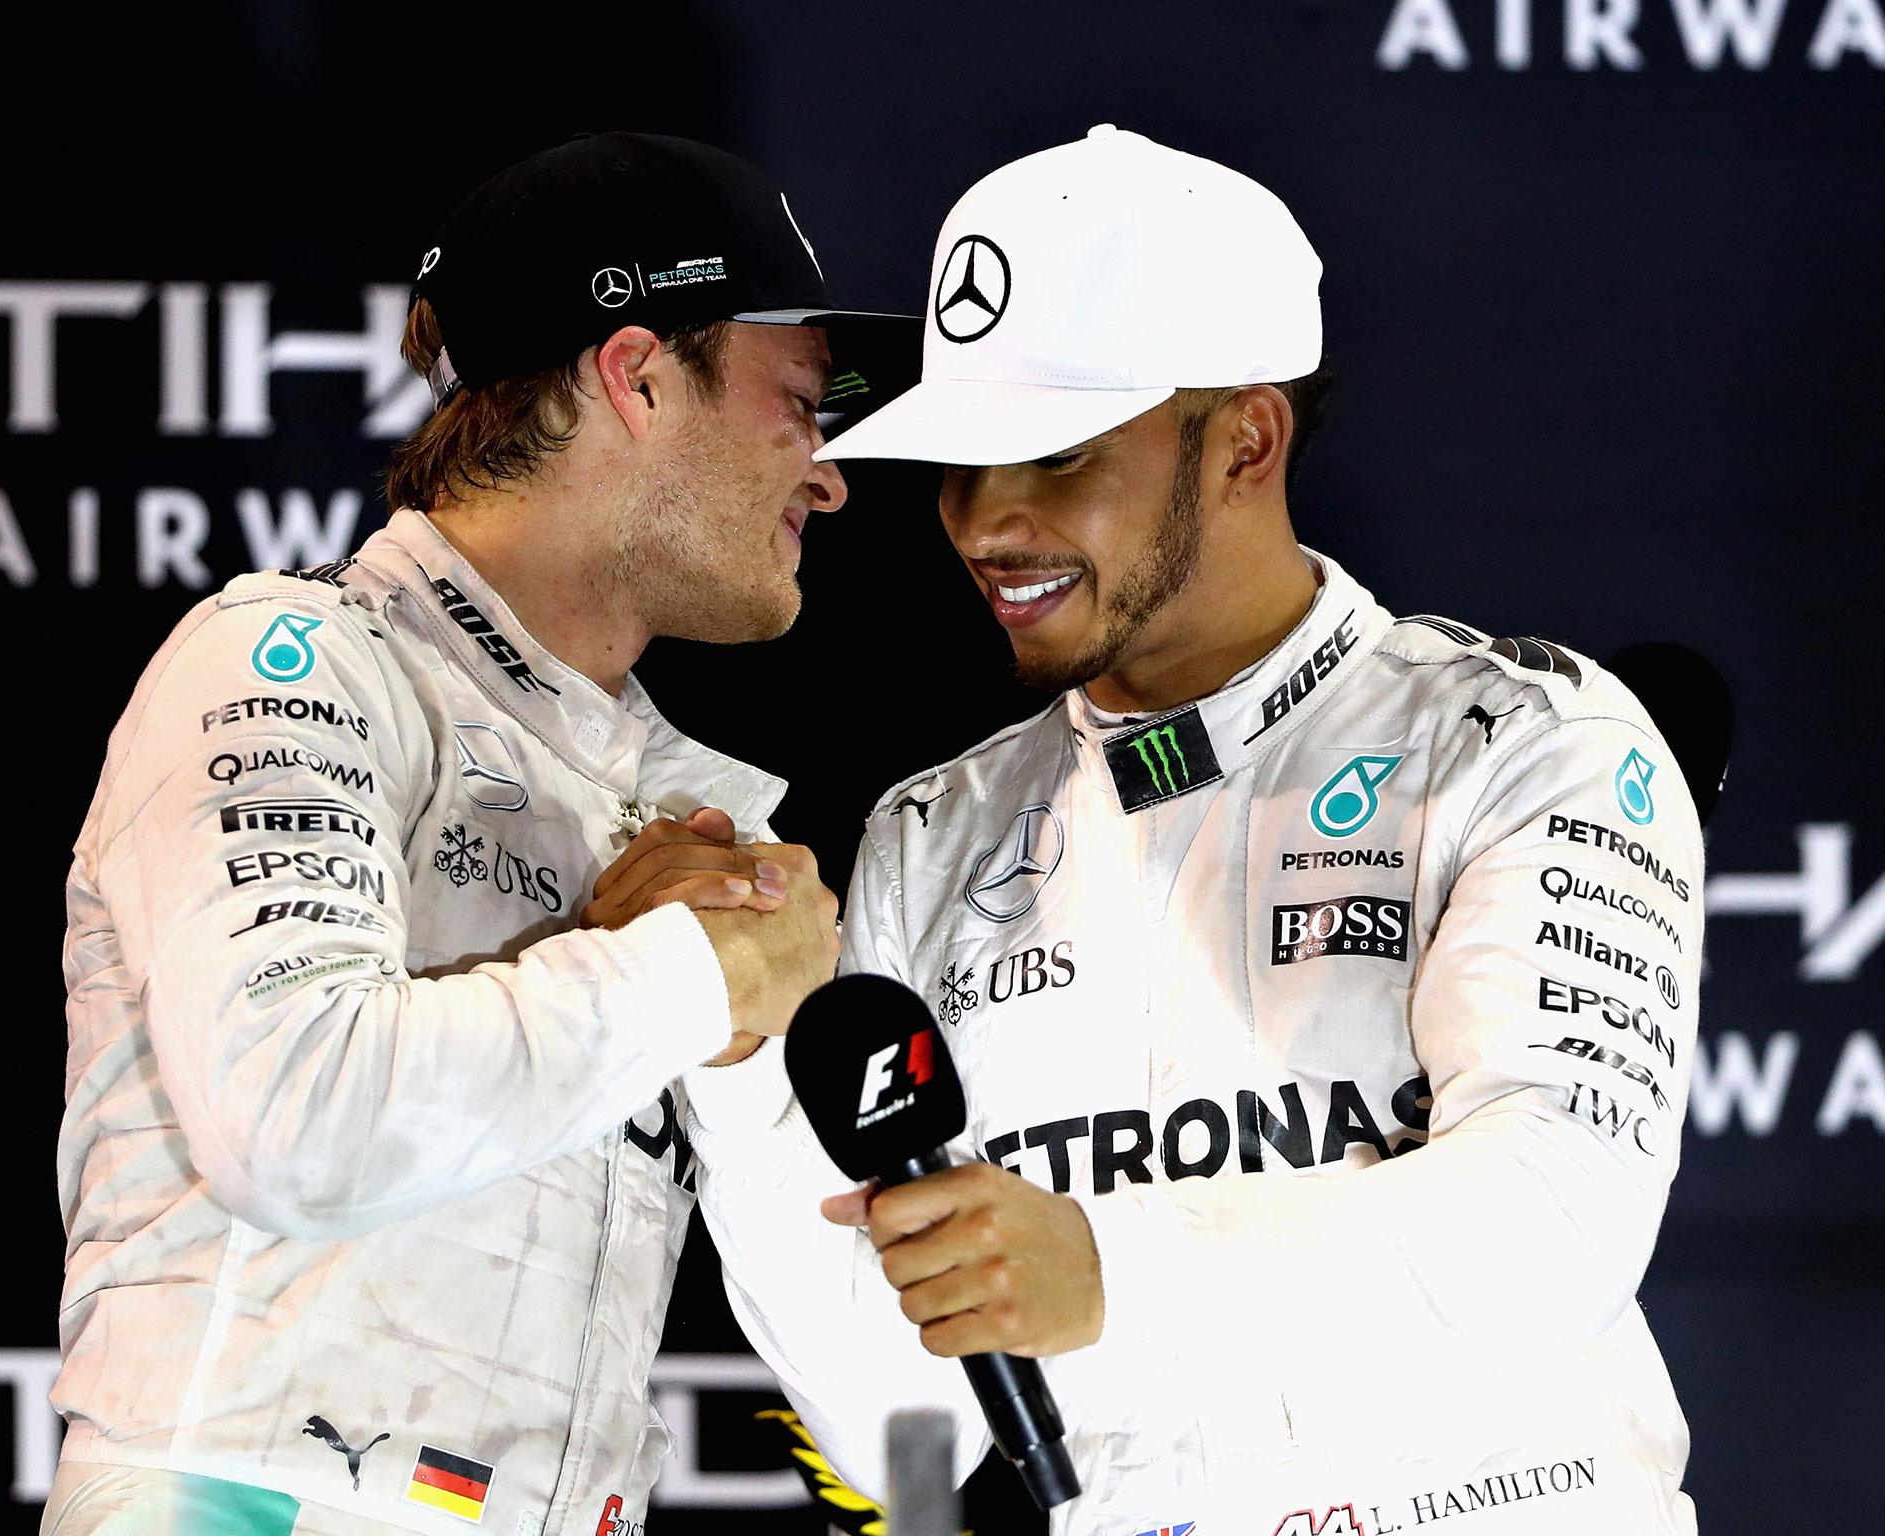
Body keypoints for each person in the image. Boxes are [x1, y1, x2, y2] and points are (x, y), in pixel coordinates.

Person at [671, 127, 1706, 1534]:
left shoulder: (1530, 740)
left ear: (1246, 440)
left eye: (1055, 455)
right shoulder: (936, 832)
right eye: (959, 465)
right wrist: (740, 1070)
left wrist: (1106, 1266)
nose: (986, 522)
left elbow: (1552, 1221)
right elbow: (892, 1424)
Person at [47, 132, 895, 1536]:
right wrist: (684, 975)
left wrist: (739, 1038)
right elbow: (297, 1124)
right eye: (798, 402)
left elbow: (857, 1369)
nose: (829, 474)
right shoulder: (294, 660)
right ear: (635, 376)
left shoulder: (699, 813)